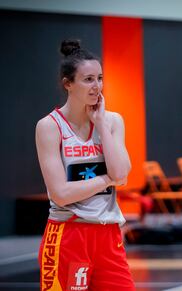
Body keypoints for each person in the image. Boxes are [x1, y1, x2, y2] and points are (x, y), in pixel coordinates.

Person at [35, 39, 135, 290]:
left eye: (100, 78)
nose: (97, 86)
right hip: (69, 233)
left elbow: (122, 174)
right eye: (88, 79)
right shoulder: (49, 126)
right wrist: (107, 179)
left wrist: (100, 123)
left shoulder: (112, 121)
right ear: (68, 84)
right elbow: (61, 194)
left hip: (108, 233)